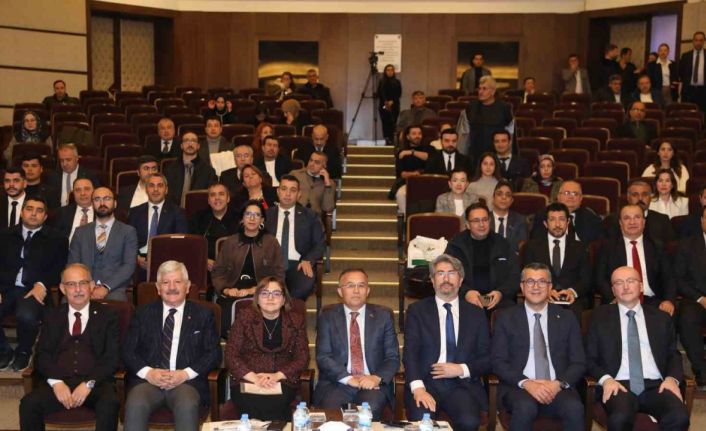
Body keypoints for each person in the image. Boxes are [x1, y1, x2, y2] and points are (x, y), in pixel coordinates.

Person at [18, 263, 120, 431]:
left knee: (110, 403)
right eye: (71, 284)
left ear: (92, 286)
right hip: (59, 382)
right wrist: (56, 382)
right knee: (28, 404)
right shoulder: (52, 315)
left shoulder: (108, 316)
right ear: (62, 289)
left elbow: (112, 358)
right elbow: (42, 355)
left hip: (95, 383)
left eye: (83, 283)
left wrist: (88, 383)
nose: (77, 289)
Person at [586, 266, 689, 431]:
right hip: (618, 384)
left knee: (679, 416)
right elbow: (589, 358)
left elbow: (673, 354)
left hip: (656, 385)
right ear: (613, 290)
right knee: (620, 418)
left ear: (641, 286)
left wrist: (672, 379)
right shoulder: (599, 317)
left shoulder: (661, 318)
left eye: (631, 281)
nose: (625, 287)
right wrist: (606, 380)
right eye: (619, 283)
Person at [123, 260, 221, 431]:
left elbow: (213, 353)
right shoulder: (142, 313)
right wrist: (148, 373)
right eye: (166, 282)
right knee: (135, 403)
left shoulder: (203, 315)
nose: (172, 287)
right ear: (158, 288)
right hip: (148, 382)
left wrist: (185, 374)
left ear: (187, 287)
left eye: (177, 282)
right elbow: (128, 351)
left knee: (186, 405)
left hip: (186, 383)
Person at [491, 262, 586, 431]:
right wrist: (527, 383)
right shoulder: (505, 318)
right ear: (522, 287)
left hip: (557, 386)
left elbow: (578, 362)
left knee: (574, 408)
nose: (536, 287)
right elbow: (498, 362)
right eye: (530, 281)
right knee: (525, 407)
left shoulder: (567, 318)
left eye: (542, 282)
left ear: (550, 287)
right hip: (519, 387)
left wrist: (557, 384)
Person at [403, 254, 491, 431]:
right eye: (440, 273)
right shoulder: (417, 311)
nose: (446, 278)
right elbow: (410, 353)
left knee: (469, 421)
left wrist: (461, 369)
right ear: (432, 280)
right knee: (422, 422)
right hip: (426, 382)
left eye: (451, 273)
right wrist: (418, 388)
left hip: (461, 385)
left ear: (460, 279)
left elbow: (488, 357)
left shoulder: (476, 314)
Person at [314, 268, 400, 419]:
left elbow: (392, 357)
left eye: (361, 285)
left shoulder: (383, 315)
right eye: (350, 285)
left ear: (368, 290)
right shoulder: (327, 316)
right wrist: (348, 379)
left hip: (371, 383)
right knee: (334, 412)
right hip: (337, 382)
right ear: (340, 291)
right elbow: (323, 356)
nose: (356, 290)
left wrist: (376, 378)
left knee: (369, 410)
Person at [225, 276, 309, 420]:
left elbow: (302, 357)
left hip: (282, 380)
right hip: (248, 379)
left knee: (276, 403)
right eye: (264, 293)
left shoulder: (295, 320)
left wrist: (276, 376)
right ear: (257, 299)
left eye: (276, 293)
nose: (270, 298)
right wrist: (254, 378)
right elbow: (231, 354)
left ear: (284, 299)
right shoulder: (245, 317)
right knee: (251, 402)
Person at [0, 196, 68, 371]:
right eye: (29, 209)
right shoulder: (5, 235)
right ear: (22, 212)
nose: (33, 214)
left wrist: (43, 284)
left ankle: (24, 351)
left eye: (39, 211)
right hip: (6, 288)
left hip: (33, 289)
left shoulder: (57, 238)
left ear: (45, 217)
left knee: (26, 315)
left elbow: (59, 267)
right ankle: (4, 351)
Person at [596, 204, 675, 313]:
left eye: (637, 217)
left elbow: (669, 278)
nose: (632, 222)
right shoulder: (608, 247)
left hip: (652, 301)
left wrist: (668, 300)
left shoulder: (657, 247)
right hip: (618, 300)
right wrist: (613, 298)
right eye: (627, 218)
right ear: (620, 223)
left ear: (644, 222)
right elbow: (600, 279)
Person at [445, 202, 520, 311]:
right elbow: (446, 276)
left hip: (498, 300)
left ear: (490, 221)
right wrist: (465, 292)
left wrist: (501, 293)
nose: (481, 224)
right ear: (467, 224)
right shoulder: (456, 245)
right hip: (464, 299)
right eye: (476, 221)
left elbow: (515, 276)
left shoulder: (503, 244)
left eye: (485, 220)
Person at [68, 187, 138, 301]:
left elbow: (129, 265)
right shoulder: (80, 232)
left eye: (107, 199)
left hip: (114, 288)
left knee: (116, 305)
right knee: (67, 303)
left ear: (115, 203)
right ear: (92, 204)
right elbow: (73, 264)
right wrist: (86, 285)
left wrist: (106, 287)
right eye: (97, 199)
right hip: (83, 287)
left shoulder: (128, 232)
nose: (102, 203)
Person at [523, 203, 592, 318]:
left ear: (568, 222)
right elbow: (527, 276)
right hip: (541, 296)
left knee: (575, 313)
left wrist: (572, 291)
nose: (558, 224)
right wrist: (546, 290)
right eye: (552, 220)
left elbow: (587, 278)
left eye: (561, 219)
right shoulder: (532, 247)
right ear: (545, 223)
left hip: (572, 300)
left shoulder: (580, 248)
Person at [265, 176, 325, 300]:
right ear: (278, 191)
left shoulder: (310, 216)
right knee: (266, 289)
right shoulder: (266, 215)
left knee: (302, 287)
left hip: (299, 264)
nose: (288, 194)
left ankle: (289, 310)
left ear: (299, 194)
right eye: (284, 189)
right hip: (270, 265)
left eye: (293, 190)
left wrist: (308, 259)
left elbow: (319, 243)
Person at [212, 200, 284, 298]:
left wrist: (256, 289)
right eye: (248, 214)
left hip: (263, 292)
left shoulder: (271, 243)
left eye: (257, 215)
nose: (252, 218)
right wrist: (226, 290)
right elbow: (218, 272)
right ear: (242, 219)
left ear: (262, 220)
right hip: (233, 290)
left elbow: (279, 275)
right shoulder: (230, 242)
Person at [127, 174, 188, 271]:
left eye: (160, 185)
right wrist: (136, 258)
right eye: (151, 185)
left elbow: (180, 242)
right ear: (146, 189)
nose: (155, 189)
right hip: (139, 260)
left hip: (167, 261)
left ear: (166, 190)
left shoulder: (178, 212)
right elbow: (129, 240)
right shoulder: (135, 212)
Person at [676, 204, 706, 386]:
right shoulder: (686, 245)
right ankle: (702, 371)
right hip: (696, 300)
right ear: (702, 221)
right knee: (687, 317)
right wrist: (701, 299)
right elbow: (679, 279)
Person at [457, 76, 514, 162]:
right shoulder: (471, 107)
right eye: (479, 89)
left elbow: (510, 134)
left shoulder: (504, 108)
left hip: (497, 156)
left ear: (493, 91)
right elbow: (464, 135)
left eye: (484, 89)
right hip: (474, 155)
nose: (480, 92)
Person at [604, 178, 675, 247]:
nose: (640, 198)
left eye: (644, 194)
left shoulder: (662, 220)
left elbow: (670, 249)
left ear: (650, 197)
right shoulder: (612, 220)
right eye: (635, 195)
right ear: (628, 197)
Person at [530, 180, 603, 244]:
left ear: (581, 198)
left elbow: (597, 245)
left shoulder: (591, 218)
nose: (571, 197)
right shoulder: (544, 215)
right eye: (567, 193)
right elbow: (536, 242)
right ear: (558, 196)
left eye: (575, 194)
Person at [188, 183, 239, 271]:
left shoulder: (240, 218)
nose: (217, 198)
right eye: (212, 195)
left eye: (221, 194)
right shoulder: (198, 218)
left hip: (235, 267)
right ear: (208, 200)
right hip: (205, 268)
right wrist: (204, 260)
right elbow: (191, 245)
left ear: (228, 198)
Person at [165, 131, 217, 206]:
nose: (190, 144)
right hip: (174, 210)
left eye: (193, 141)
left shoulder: (208, 171)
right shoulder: (170, 169)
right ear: (181, 146)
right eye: (186, 141)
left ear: (198, 146)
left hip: (199, 210)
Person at [391, 125, 434, 214]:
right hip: (408, 183)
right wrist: (416, 174)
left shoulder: (430, 149)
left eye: (419, 133)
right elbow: (402, 174)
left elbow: (429, 158)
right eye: (414, 134)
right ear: (408, 136)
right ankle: (408, 220)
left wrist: (412, 152)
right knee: (400, 194)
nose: (417, 136)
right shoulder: (401, 152)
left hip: (427, 183)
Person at [490, 180, 527, 254]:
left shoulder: (520, 220)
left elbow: (522, 247)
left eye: (508, 195)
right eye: (499, 194)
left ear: (511, 201)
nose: (504, 197)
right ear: (493, 198)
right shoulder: (484, 219)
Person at [679, 31, 706, 113]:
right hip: (688, 91)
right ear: (693, 41)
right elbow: (681, 72)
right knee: (687, 114)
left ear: (704, 41)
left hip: (703, 91)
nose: (698, 43)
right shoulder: (685, 56)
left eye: (701, 40)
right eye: (696, 40)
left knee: (702, 115)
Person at [377, 64, 402, 146]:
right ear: (385, 71)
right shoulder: (381, 82)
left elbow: (399, 94)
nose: (390, 72)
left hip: (394, 106)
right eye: (388, 70)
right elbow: (379, 93)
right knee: (385, 123)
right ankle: (386, 139)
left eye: (391, 70)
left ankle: (392, 140)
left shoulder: (397, 82)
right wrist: (385, 102)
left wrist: (392, 101)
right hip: (383, 105)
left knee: (393, 123)